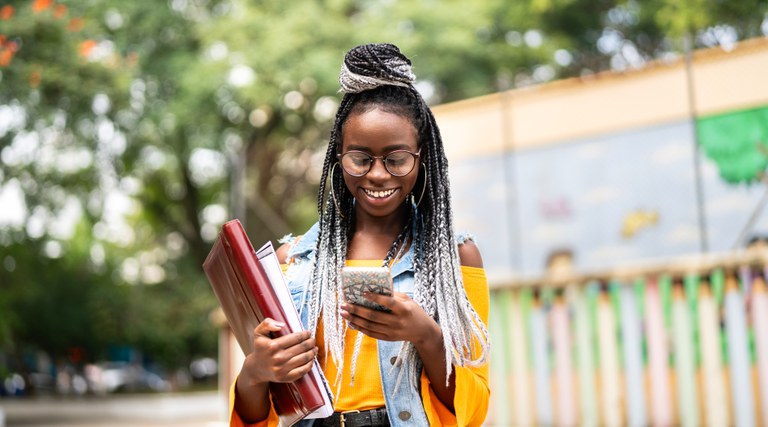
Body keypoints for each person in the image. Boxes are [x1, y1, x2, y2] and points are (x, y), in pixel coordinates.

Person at [230, 43, 491, 427]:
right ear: (339, 156)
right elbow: (261, 415)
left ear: (423, 157)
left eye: (397, 159)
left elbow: (474, 409)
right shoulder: (293, 261)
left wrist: (427, 336)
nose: (378, 174)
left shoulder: (456, 257)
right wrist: (255, 371)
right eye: (360, 158)